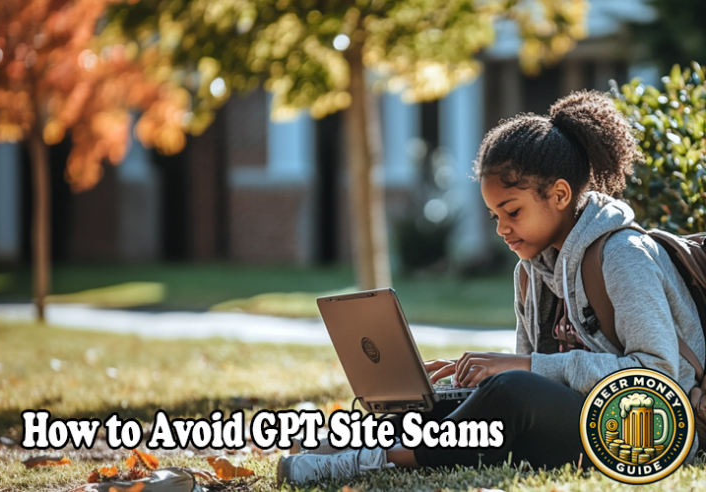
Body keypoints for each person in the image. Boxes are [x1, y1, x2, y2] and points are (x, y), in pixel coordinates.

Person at [276, 90, 706, 485]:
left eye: (512, 211)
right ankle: (355, 440)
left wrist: (523, 369)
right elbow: (532, 370)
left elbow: (656, 378)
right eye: (493, 215)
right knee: (446, 402)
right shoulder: (530, 271)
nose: (502, 228)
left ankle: (373, 459)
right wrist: (476, 378)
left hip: (650, 431)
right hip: (578, 419)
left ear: (558, 194)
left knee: (511, 392)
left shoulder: (624, 254)